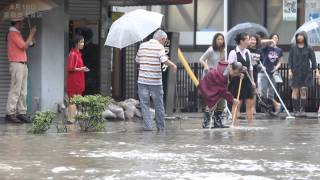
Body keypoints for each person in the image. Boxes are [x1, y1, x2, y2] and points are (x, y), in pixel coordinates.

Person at [135, 30, 177, 131]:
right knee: (159, 105)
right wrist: (173, 65)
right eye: (165, 41)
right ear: (162, 39)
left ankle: (147, 127)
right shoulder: (160, 47)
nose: (164, 42)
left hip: (142, 81)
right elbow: (163, 60)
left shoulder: (142, 45)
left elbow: (137, 60)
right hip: (155, 82)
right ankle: (160, 127)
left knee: (144, 105)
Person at [5, 18, 36, 123]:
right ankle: (10, 113)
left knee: (23, 90)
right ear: (17, 22)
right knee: (15, 89)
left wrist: (32, 39)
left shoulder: (17, 33)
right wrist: (31, 33)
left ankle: (21, 112)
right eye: (21, 22)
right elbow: (23, 46)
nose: (23, 24)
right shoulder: (12, 33)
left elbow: (27, 45)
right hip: (17, 64)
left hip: (22, 64)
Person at [199, 61, 242, 128]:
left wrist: (239, 74)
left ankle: (217, 122)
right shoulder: (223, 74)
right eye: (235, 73)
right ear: (231, 67)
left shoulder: (229, 67)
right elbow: (223, 91)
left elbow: (222, 91)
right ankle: (206, 123)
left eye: (237, 73)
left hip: (216, 85)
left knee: (221, 104)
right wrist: (233, 99)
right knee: (212, 103)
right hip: (209, 85)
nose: (234, 74)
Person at [199, 33, 227, 128]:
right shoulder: (211, 50)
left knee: (222, 98)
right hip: (210, 77)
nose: (220, 41)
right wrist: (206, 66)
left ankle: (217, 122)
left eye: (222, 39)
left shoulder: (223, 51)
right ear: (215, 40)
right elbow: (201, 59)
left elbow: (223, 64)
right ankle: (206, 122)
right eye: (218, 39)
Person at [289, 31, 319, 117]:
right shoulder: (293, 48)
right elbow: (290, 60)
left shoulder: (309, 48)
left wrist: (316, 71)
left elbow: (313, 61)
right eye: (298, 36)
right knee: (295, 91)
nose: (299, 37)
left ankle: (302, 110)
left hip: (306, 73)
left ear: (304, 37)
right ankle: (295, 110)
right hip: (295, 72)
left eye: (301, 36)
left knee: (303, 91)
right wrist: (290, 70)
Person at [228, 32, 255, 126]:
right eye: (247, 39)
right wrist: (238, 74)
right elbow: (230, 71)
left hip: (247, 80)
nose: (249, 41)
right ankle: (234, 125)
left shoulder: (248, 52)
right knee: (237, 103)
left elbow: (250, 68)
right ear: (241, 41)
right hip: (237, 81)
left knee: (250, 103)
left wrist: (253, 81)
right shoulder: (233, 52)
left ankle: (250, 126)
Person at [66, 35, 90, 124]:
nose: (83, 44)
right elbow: (70, 68)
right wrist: (82, 69)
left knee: (75, 101)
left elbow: (76, 67)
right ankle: (71, 120)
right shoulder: (73, 54)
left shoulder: (77, 54)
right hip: (74, 81)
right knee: (73, 100)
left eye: (83, 42)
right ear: (76, 43)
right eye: (81, 42)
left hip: (78, 80)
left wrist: (82, 68)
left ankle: (72, 119)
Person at [258, 33, 283, 115]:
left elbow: (280, 61)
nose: (275, 39)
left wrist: (276, 68)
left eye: (276, 38)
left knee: (271, 92)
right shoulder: (267, 48)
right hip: (264, 72)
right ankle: (264, 109)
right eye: (274, 38)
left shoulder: (279, 50)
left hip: (273, 73)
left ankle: (270, 109)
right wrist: (270, 41)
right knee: (263, 90)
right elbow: (261, 42)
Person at [247, 35, 261, 114]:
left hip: (255, 72)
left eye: (254, 40)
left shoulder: (259, 51)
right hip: (247, 72)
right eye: (251, 40)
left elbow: (259, 62)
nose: (253, 41)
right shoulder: (246, 50)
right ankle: (247, 108)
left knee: (254, 91)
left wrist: (260, 66)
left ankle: (253, 108)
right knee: (246, 90)